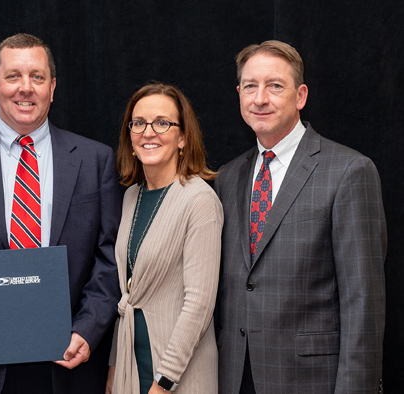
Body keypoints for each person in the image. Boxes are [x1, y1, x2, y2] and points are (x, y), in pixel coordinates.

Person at [0, 33, 122, 394]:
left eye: (37, 76)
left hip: (66, 363)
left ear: (53, 87)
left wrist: (87, 329)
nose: (25, 88)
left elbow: (109, 259)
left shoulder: (95, 160)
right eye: (13, 76)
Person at [214, 40, 387, 394]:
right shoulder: (227, 177)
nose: (260, 98)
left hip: (311, 381)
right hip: (233, 377)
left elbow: (363, 302)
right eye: (250, 86)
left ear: (301, 95)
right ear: (239, 94)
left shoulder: (349, 171)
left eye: (275, 86)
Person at [106, 83, 222, 394]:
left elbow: (199, 304)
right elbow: (129, 296)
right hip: (131, 370)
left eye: (162, 123)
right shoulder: (132, 196)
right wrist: (115, 368)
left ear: (183, 137)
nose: (148, 132)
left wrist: (164, 382)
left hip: (178, 376)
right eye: (138, 123)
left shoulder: (199, 200)